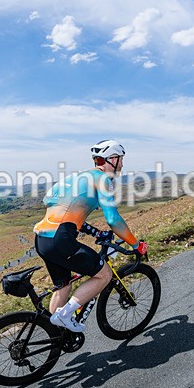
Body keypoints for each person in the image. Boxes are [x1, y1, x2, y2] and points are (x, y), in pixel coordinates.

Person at [33, 139, 148, 332]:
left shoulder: (77, 177)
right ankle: (64, 315)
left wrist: (95, 232)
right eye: (120, 159)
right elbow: (113, 220)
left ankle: (56, 336)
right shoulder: (103, 180)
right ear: (111, 159)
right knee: (104, 275)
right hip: (61, 240)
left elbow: (65, 213)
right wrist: (136, 245)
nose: (122, 164)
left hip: (42, 239)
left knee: (63, 286)